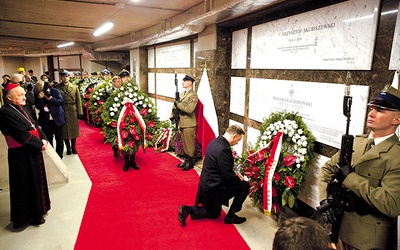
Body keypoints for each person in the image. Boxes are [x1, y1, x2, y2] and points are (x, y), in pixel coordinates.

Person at [319, 85, 400, 250]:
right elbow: (326, 170)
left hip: (367, 239)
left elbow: (392, 204)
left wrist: (350, 178)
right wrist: (324, 201)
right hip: (339, 228)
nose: (371, 113)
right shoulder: (355, 142)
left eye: (380, 110)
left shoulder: (396, 155)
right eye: (372, 108)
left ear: (396, 120)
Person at [0, 83, 50, 230]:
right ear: (9, 97)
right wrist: (39, 144)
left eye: (23, 94)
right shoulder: (5, 112)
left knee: (35, 182)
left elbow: (34, 125)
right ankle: (26, 218)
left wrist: (44, 138)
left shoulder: (21, 108)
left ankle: (38, 211)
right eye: (20, 95)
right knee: (24, 185)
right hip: (21, 155)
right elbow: (21, 134)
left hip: (31, 151)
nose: (24, 97)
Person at [178, 125, 250, 226]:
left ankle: (187, 209)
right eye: (238, 140)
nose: (237, 143)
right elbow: (228, 177)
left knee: (214, 213)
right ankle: (231, 216)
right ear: (234, 136)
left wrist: (234, 173)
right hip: (214, 188)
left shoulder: (215, 142)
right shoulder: (224, 149)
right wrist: (239, 180)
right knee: (244, 186)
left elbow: (221, 167)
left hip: (205, 185)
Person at [35, 79, 66, 158]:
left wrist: (51, 99)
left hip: (58, 119)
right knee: (49, 140)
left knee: (59, 141)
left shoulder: (55, 91)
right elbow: (38, 107)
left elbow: (61, 101)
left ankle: (59, 157)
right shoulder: (38, 94)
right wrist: (40, 98)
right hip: (46, 121)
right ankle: (52, 157)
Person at [174, 75, 199, 171]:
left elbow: (189, 109)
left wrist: (178, 104)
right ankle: (186, 160)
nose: (183, 82)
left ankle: (190, 162)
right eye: (183, 80)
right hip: (182, 122)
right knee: (185, 144)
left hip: (189, 123)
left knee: (189, 144)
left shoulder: (193, 95)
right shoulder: (183, 93)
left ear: (190, 83)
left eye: (185, 81)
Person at [55, 70, 83, 155]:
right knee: (64, 131)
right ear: (61, 78)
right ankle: (68, 148)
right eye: (63, 77)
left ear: (69, 77)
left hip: (72, 110)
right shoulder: (57, 88)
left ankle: (74, 147)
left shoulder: (74, 87)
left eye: (66, 76)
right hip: (62, 110)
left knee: (73, 130)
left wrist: (80, 112)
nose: (65, 78)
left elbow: (78, 100)